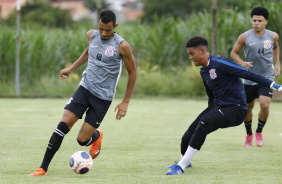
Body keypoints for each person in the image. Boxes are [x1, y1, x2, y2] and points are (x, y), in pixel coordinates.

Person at [28, 9, 137, 176]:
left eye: (108, 30)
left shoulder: (122, 46)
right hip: (85, 88)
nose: (103, 33)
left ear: (115, 26)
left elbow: (133, 73)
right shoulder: (91, 35)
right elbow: (89, 52)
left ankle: (95, 136)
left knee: (82, 140)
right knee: (63, 125)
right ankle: (43, 168)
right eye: (101, 28)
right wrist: (72, 68)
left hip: (103, 98)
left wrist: (125, 102)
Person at [166, 36, 282, 175]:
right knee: (187, 136)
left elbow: (248, 74)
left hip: (236, 109)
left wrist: (274, 85)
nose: (190, 58)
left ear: (202, 51)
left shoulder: (221, 63)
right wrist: (210, 113)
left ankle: (181, 167)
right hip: (218, 106)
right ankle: (184, 161)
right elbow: (211, 95)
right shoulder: (204, 71)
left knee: (204, 122)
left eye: (192, 54)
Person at [231, 7, 280, 147]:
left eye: (259, 20)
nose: (256, 23)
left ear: (266, 22)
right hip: (249, 77)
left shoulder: (273, 36)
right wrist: (242, 63)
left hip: (267, 76)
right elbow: (234, 53)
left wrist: (277, 63)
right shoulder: (244, 37)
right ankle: (248, 134)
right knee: (248, 107)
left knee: (265, 104)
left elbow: (276, 47)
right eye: (254, 20)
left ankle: (259, 132)